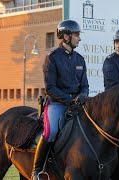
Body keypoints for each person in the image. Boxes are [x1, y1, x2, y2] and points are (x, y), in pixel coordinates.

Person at [31, 20, 89, 180]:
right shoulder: (52, 58)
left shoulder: (80, 60)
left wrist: (83, 94)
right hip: (57, 104)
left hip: (77, 105)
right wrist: (70, 99)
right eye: (76, 35)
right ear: (66, 36)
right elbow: (50, 88)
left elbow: (85, 85)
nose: (79, 38)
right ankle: (36, 171)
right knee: (51, 132)